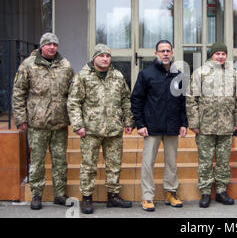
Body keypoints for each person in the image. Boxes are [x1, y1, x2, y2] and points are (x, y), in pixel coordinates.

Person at [67, 44, 134, 214]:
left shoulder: (117, 76)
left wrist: (128, 121)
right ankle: (87, 198)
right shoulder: (83, 76)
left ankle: (113, 196)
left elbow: (126, 99)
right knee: (88, 166)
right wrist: (78, 125)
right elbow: (74, 102)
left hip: (114, 129)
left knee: (114, 164)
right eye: (101, 56)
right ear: (94, 58)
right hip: (90, 130)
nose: (105, 59)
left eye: (108, 56)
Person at [12, 32, 74, 210]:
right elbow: (18, 93)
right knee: (38, 162)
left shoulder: (65, 65)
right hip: (37, 123)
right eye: (48, 44)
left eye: (55, 44)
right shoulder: (28, 65)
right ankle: (37, 195)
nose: (52, 47)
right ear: (41, 46)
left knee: (60, 161)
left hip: (59, 122)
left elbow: (74, 91)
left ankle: (60, 194)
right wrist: (21, 118)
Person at [131, 40, 188, 212]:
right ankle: (147, 197)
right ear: (156, 53)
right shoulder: (146, 74)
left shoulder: (178, 76)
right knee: (148, 163)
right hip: (151, 126)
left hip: (172, 126)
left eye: (167, 51)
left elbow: (182, 102)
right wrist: (139, 124)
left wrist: (183, 123)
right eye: (161, 51)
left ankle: (171, 193)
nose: (165, 53)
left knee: (171, 162)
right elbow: (136, 100)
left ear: (172, 53)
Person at [186, 42, 237, 208]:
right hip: (205, 126)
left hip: (226, 125)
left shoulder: (233, 74)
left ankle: (221, 191)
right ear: (212, 55)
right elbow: (191, 100)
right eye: (217, 53)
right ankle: (205, 192)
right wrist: (194, 123)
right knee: (205, 160)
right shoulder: (200, 73)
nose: (220, 56)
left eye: (223, 54)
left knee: (223, 161)